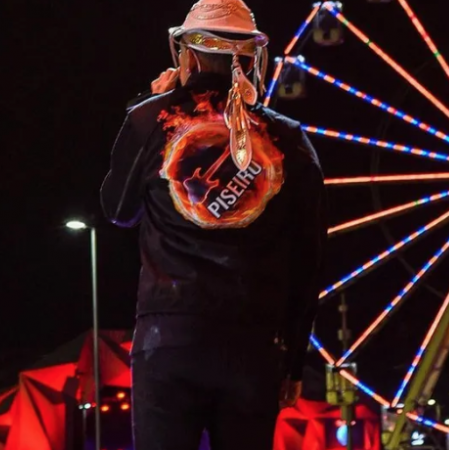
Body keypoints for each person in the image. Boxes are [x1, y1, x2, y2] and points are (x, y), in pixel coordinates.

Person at [100, 1, 327, 449]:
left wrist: (147, 108)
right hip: (254, 342)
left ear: (188, 53)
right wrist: (294, 361)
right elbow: (310, 261)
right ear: (253, 57)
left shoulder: (150, 121)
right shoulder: (288, 138)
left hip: (170, 337)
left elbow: (118, 210)